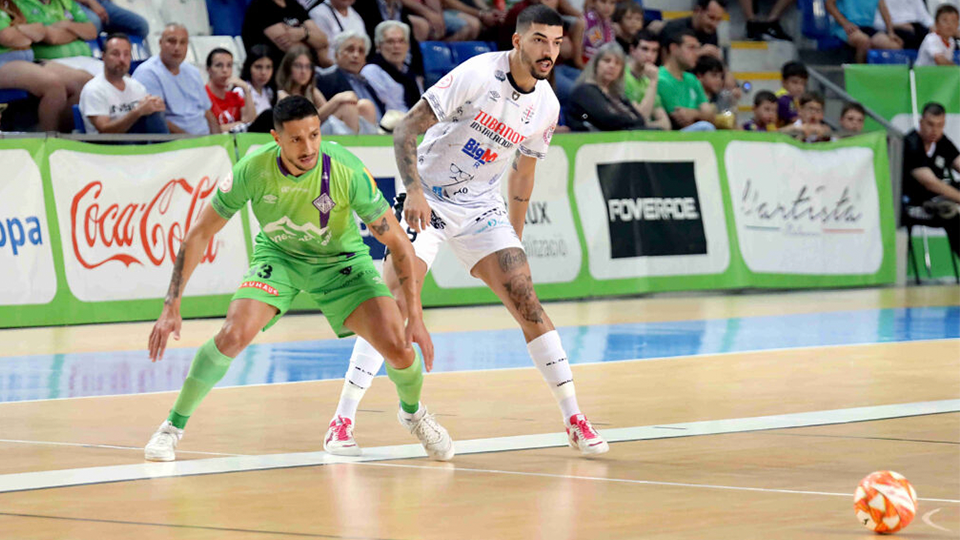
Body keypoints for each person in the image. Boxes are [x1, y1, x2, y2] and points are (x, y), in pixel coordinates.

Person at [322, 4, 609, 458]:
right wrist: (413, 189)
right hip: (428, 197)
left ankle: (574, 416)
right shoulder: (476, 74)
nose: (548, 51)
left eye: (555, 42)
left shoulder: (547, 105)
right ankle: (342, 420)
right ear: (517, 41)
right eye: (538, 40)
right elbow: (404, 133)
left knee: (526, 299)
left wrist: (511, 235)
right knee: (391, 302)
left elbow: (523, 173)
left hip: (480, 207)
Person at [144, 95, 455, 463]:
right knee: (233, 333)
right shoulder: (253, 168)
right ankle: (171, 427)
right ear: (276, 139)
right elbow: (199, 233)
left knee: (401, 349)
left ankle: (413, 412)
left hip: (342, 263)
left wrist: (415, 315)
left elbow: (400, 245)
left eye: (314, 135)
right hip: (281, 258)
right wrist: (171, 304)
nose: (308, 147)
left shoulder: (344, 169)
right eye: (296, 139)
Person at [0, 0, 84, 131]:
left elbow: (39, 34)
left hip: (25, 59)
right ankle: (49, 138)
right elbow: (9, 38)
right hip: (3, 62)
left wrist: (20, 31)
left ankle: (57, 131)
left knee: (83, 82)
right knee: (53, 85)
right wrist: (25, 30)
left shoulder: (12, 5)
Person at [132, 24, 219, 135]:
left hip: (206, 143)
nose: (177, 47)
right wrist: (192, 142)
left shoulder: (193, 72)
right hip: (176, 145)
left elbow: (208, 113)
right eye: (172, 41)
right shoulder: (147, 73)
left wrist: (220, 142)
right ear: (160, 43)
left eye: (183, 42)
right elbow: (156, 120)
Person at [901, 102, 960, 258]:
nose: (935, 130)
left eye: (940, 125)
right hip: (914, 204)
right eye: (930, 124)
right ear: (921, 123)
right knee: (953, 216)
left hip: (938, 201)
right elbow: (931, 183)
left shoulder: (942, 141)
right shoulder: (911, 143)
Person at [79, 33, 167, 134]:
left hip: (138, 142)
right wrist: (137, 112)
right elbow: (105, 131)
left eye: (126, 54)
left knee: (155, 115)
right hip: (108, 146)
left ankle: (166, 149)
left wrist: (155, 106)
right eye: (115, 54)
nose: (122, 59)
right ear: (104, 57)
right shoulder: (94, 90)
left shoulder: (137, 86)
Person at [276, 44, 373, 134]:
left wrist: (339, 101)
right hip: (302, 136)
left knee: (365, 106)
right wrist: (337, 99)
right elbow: (301, 122)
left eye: (307, 66)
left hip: (317, 131)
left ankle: (371, 147)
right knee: (346, 108)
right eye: (298, 66)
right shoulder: (283, 94)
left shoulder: (311, 91)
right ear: (288, 68)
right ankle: (355, 147)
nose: (303, 71)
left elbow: (327, 114)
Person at [568, 42, 645, 131]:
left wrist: (633, 121)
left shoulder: (616, 94)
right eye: (607, 61)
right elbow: (609, 120)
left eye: (617, 63)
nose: (612, 66)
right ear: (596, 64)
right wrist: (632, 120)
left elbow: (640, 119)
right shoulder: (584, 91)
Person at [14, 0, 101, 77]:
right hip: (52, 62)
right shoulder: (19, 4)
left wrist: (67, 24)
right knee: (88, 81)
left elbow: (92, 32)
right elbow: (53, 38)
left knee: (111, 77)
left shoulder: (65, 2)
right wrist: (78, 32)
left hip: (85, 59)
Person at [316, 31, 385, 123]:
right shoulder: (325, 79)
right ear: (337, 54)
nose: (356, 55)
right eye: (350, 50)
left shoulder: (366, 81)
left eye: (361, 51)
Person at [242, 0, 332, 68]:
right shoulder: (260, 7)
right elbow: (291, 48)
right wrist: (314, 43)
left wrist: (303, 34)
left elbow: (323, 40)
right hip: (275, 70)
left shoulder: (293, 5)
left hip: (303, 68)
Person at [656, 29, 715, 131]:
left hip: (692, 131)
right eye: (691, 48)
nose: (696, 53)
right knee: (706, 128)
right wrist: (701, 115)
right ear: (674, 48)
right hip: (671, 135)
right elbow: (681, 119)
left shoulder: (692, 79)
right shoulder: (660, 78)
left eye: (697, 48)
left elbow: (710, 115)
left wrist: (694, 114)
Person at [361, 20, 423, 114]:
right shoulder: (372, 71)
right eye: (390, 41)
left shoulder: (408, 72)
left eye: (401, 41)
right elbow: (387, 110)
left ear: (408, 46)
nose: (397, 46)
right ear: (378, 46)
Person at [825, 0, 902, 63]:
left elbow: (884, 9)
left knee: (894, 46)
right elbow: (829, 4)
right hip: (846, 27)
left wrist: (891, 32)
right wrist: (845, 23)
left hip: (868, 27)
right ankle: (860, 74)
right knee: (863, 41)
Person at [624, 29, 670, 130]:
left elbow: (666, 124)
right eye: (645, 49)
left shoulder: (647, 79)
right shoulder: (622, 76)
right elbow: (640, 119)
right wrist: (653, 82)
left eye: (654, 51)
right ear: (632, 50)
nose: (650, 55)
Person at [205, 48, 256, 133]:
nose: (225, 70)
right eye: (219, 65)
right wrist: (239, 124)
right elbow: (208, 129)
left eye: (229, 65)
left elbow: (250, 122)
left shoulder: (234, 96)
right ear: (208, 70)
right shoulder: (203, 95)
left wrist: (246, 89)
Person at [660, 0, 725, 59]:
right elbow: (667, 63)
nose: (714, 24)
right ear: (698, 10)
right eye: (711, 17)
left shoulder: (711, 31)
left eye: (718, 20)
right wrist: (699, 53)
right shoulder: (674, 28)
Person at [74, 0, 149, 38]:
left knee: (141, 27)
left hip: (102, 3)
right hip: (76, 4)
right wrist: (91, 2)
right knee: (95, 24)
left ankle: (113, 48)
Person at [240, 44, 277, 117]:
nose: (263, 72)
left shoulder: (269, 91)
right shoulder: (240, 91)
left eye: (268, 67)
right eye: (258, 67)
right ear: (249, 67)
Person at [775, 61, 806, 128]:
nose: (799, 87)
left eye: (803, 83)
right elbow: (797, 121)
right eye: (795, 82)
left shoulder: (794, 99)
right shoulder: (782, 99)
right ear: (784, 82)